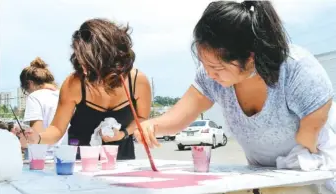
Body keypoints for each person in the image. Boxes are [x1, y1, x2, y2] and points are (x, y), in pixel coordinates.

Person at [134, 0, 336, 192]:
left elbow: (309, 139)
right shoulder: (211, 77)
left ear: (250, 57)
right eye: (204, 65)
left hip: (315, 175)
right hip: (266, 178)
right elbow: (180, 115)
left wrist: (291, 173)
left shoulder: (296, 69)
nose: (210, 74)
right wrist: (153, 126)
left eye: (217, 67)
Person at [19, 18, 151, 160]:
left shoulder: (138, 81)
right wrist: (37, 138)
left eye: (89, 61)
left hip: (122, 160)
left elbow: (142, 118)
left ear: (109, 57)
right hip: (80, 164)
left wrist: (124, 133)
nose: (84, 67)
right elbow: (57, 129)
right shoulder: (74, 83)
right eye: (79, 58)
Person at [20, 57, 68, 153]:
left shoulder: (34, 97)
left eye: (26, 91)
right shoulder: (64, 95)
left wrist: (23, 141)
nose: (28, 93)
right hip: (68, 155)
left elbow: (36, 134)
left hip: (46, 157)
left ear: (30, 83)